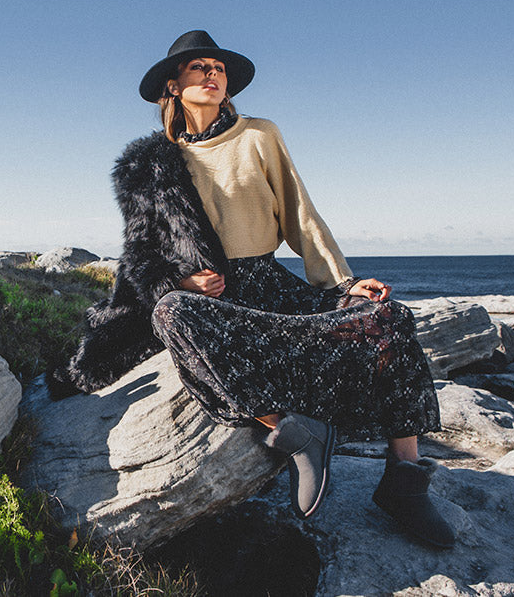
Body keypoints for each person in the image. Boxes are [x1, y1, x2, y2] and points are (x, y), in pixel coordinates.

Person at [48, 30, 454, 548]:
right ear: (172, 86)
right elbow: (142, 252)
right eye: (199, 68)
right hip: (212, 300)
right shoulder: (149, 166)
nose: (212, 75)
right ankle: (296, 434)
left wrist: (344, 283)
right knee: (172, 312)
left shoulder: (259, 135)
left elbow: (300, 215)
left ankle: (405, 482)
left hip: (270, 282)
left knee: (386, 317)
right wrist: (179, 279)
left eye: (218, 68)